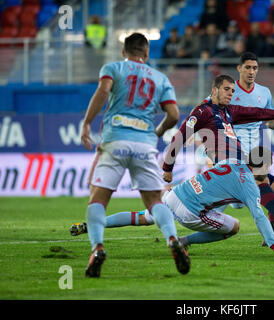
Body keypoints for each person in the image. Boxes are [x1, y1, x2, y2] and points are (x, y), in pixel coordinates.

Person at [80, 33, 190, 277]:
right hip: (144, 144)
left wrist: (87, 123)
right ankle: (172, 239)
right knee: (154, 202)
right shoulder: (160, 78)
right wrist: (157, 131)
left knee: (98, 199)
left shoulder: (114, 68)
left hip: (114, 139)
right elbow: (173, 114)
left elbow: (103, 90)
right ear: (147, 53)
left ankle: (97, 248)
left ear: (124, 52)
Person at [162, 74, 274, 244]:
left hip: (240, 163)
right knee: (256, 178)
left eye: (232, 91)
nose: (230, 93)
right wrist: (168, 168)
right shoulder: (202, 111)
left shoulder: (229, 111)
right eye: (227, 89)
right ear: (214, 90)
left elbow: (258, 112)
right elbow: (180, 137)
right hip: (226, 168)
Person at [70, 147, 274, 258]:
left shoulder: (233, 161)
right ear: (263, 166)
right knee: (234, 227)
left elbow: (231, 196)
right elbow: (257, 215)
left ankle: (92, 225)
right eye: (269, 165)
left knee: (142, 217)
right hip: (191, 211)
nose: (271, 169)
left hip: (176, 193)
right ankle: (183, 242)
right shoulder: (248, 183)